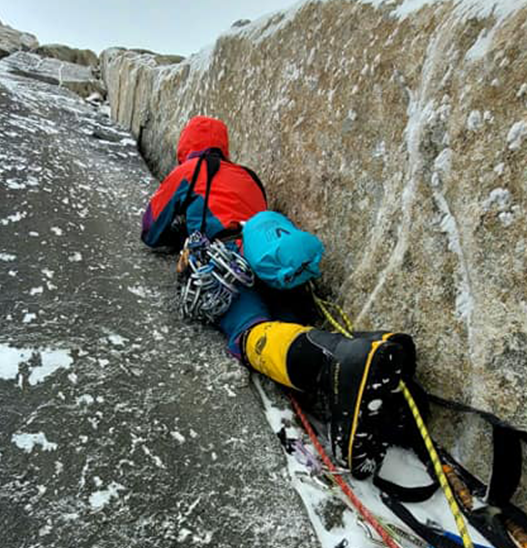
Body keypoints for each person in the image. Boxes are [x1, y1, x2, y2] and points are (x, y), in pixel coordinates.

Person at [141, 115, 418, 479]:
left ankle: (340, 364)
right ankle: (369, 357)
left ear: (186, 147)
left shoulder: (189, 171)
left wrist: (182, 225)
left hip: (227, 268)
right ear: (224, 146)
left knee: (250, 330)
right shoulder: (248, 176)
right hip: (271, 264)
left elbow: (150, 230)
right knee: (291, 329)